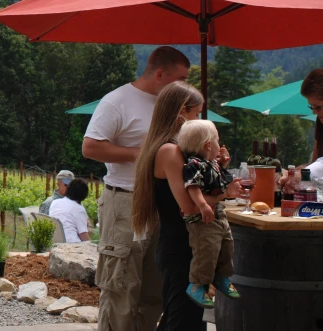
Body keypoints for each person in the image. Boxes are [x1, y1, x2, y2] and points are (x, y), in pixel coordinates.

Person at [82, 45, 190, 331]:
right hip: (124, 203)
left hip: (161, 204)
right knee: (121, 290)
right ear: (159, 74)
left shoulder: (171, 105)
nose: (185, 87)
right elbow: (90, 147)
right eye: (180, 79)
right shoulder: (118, 101)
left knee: (153, 292)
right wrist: (142, 154)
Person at [132, 81, 241, 331]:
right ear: (182, 113)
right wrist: (225, 193)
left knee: (180, 318)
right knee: (184, 322)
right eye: (196, 114)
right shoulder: (170, 152)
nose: (198, 120)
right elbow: (189, 208)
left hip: (181, 247)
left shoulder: (175, 150)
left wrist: (218, 167)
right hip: (181, 249)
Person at [177, 119, 239, 308]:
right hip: (202, 217)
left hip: (218, 213)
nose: (220, 146)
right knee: (207, 250)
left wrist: (223, 164)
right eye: (218, 141)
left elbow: (218, 182)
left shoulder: (211, 163)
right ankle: (197, 285)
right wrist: (203, 205)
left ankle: (221, 277)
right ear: (208, 145)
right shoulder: (193, 165)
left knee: (227, 244)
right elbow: (193, 187)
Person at [48, 178, 91, 242]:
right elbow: (84, 237)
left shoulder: (55, 203)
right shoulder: (79, 209)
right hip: (72, 245)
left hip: (53, 242)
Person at [301, 69, 323, 175]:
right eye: (312, 107)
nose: (314, 112)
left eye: (318, 107)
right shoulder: (320, 121)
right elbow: (316, 162)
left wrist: (302, 173)